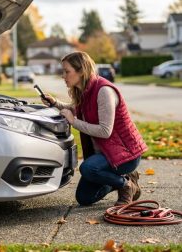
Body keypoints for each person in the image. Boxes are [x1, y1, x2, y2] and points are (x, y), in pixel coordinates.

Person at [41, 51, 147, 206]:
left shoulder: (104, 91)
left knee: (88, 168)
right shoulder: (86, 91)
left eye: (67, 71)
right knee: (84, 198)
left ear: (81, 71)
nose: (63, 76)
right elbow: (77, 109)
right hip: (105, 155)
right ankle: (124, 178)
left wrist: (74, 122)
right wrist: (55, 103)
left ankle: (125, 185)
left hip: (125, 155)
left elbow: (105, 131)